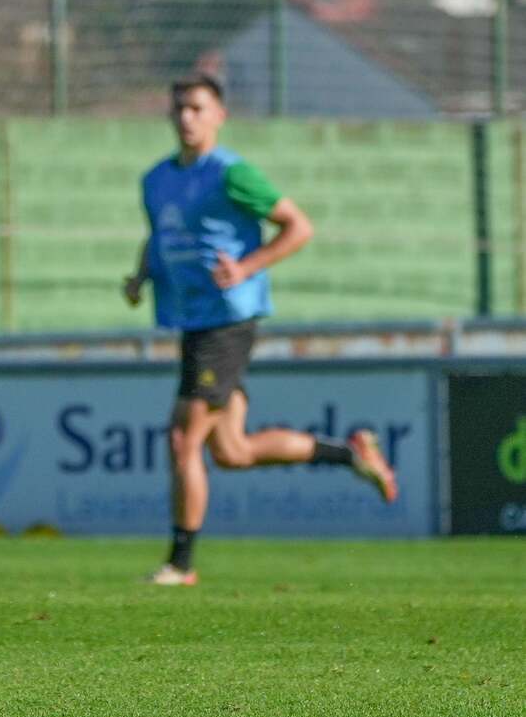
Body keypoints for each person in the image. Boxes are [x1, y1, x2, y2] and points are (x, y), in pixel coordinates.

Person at [124, 73, 398, 587]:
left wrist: (247, 267)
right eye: (180, 108)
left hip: (228, 321)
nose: (187, 117)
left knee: (184, 438)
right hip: (192, 321)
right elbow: (160, 235)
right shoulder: (155, 179)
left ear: (219, 116)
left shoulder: (232, 174)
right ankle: (352, 453)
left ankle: (180, 565)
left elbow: (298, 226)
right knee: (232, 451)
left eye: (198, 108)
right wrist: (141, 275)